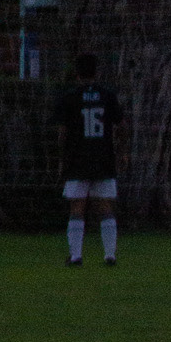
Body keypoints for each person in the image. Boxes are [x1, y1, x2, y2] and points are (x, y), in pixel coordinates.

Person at [52, 47, 122, 268]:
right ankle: (109, 255)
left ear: (77, 73)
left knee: (77, 208)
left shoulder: (69, 97)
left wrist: (61, 157)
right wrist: (121, 152)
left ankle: (76, 257)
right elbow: (119, 127)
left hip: (77, 158)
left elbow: (62, 133)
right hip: (103, 157)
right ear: (97, 72)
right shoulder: (108, 95)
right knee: (105, 207)